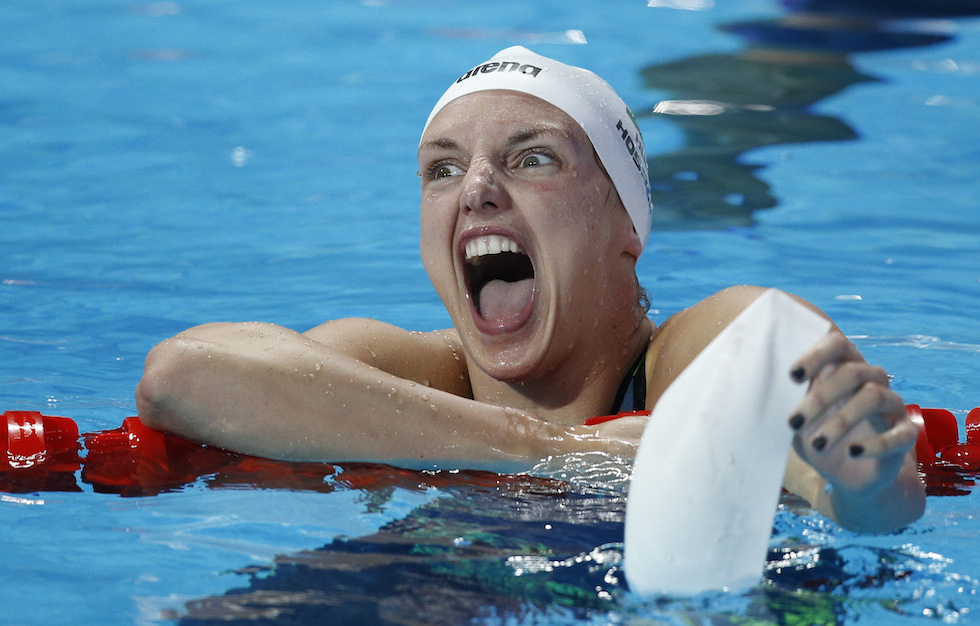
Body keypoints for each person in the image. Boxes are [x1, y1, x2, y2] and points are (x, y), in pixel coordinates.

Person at [136, 46, 925, 533]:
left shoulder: (696, 345)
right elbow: (183, 375)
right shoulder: (413, 372)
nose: (475, 189)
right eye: (442, 169)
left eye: (532, 158)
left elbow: (850, 483)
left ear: (627, 226)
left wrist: (864, 492)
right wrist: (556, 452)